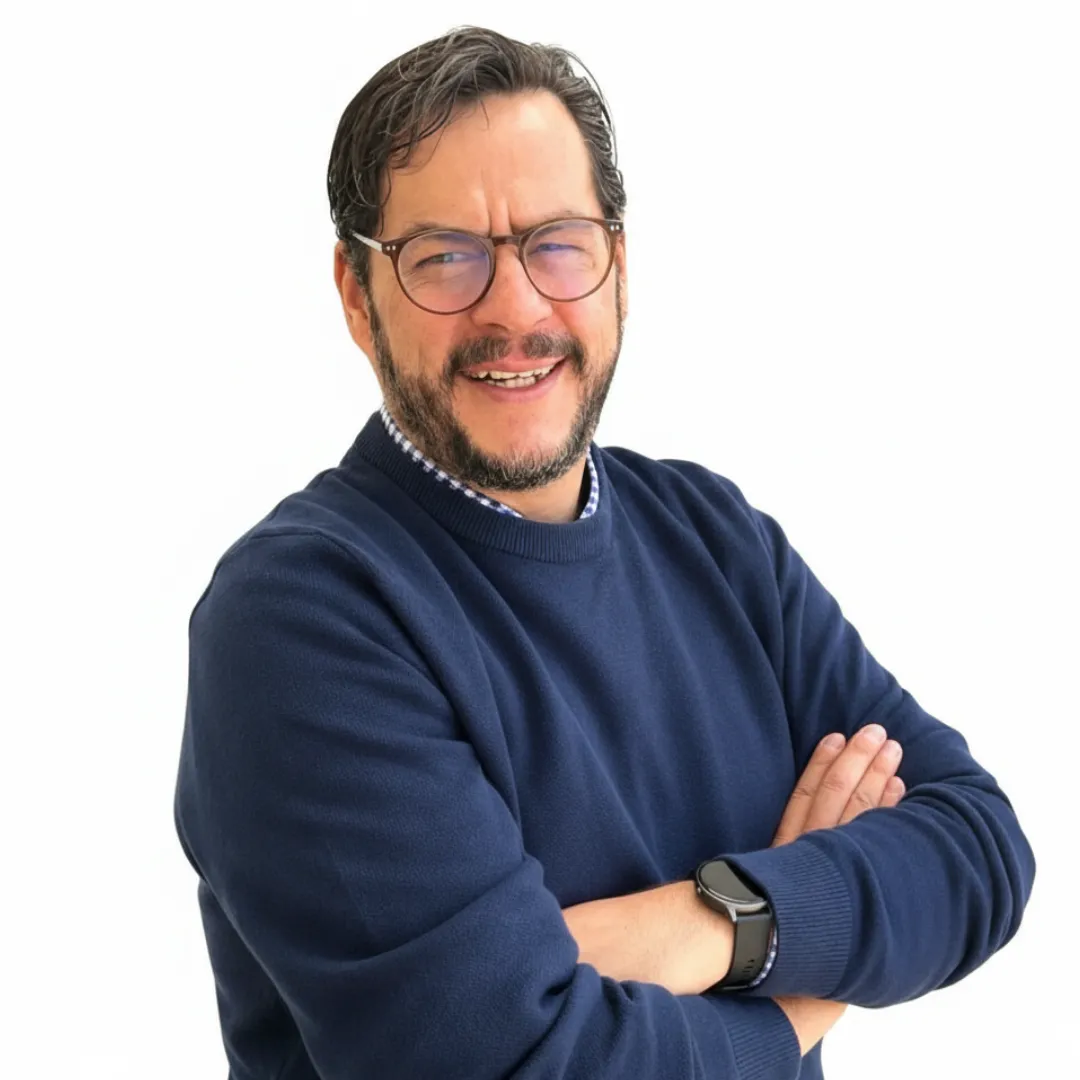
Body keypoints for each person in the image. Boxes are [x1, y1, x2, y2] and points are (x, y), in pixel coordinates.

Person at [173, 25, 1036, 1080]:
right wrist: (806, 991)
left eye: (558, 243)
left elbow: (980, 848)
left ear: (618, 267)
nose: (515, 307)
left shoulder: (716, 538)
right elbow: (505, 1065)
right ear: (358, 297)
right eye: (445, 256)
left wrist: (716, 920)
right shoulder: (302, 618)